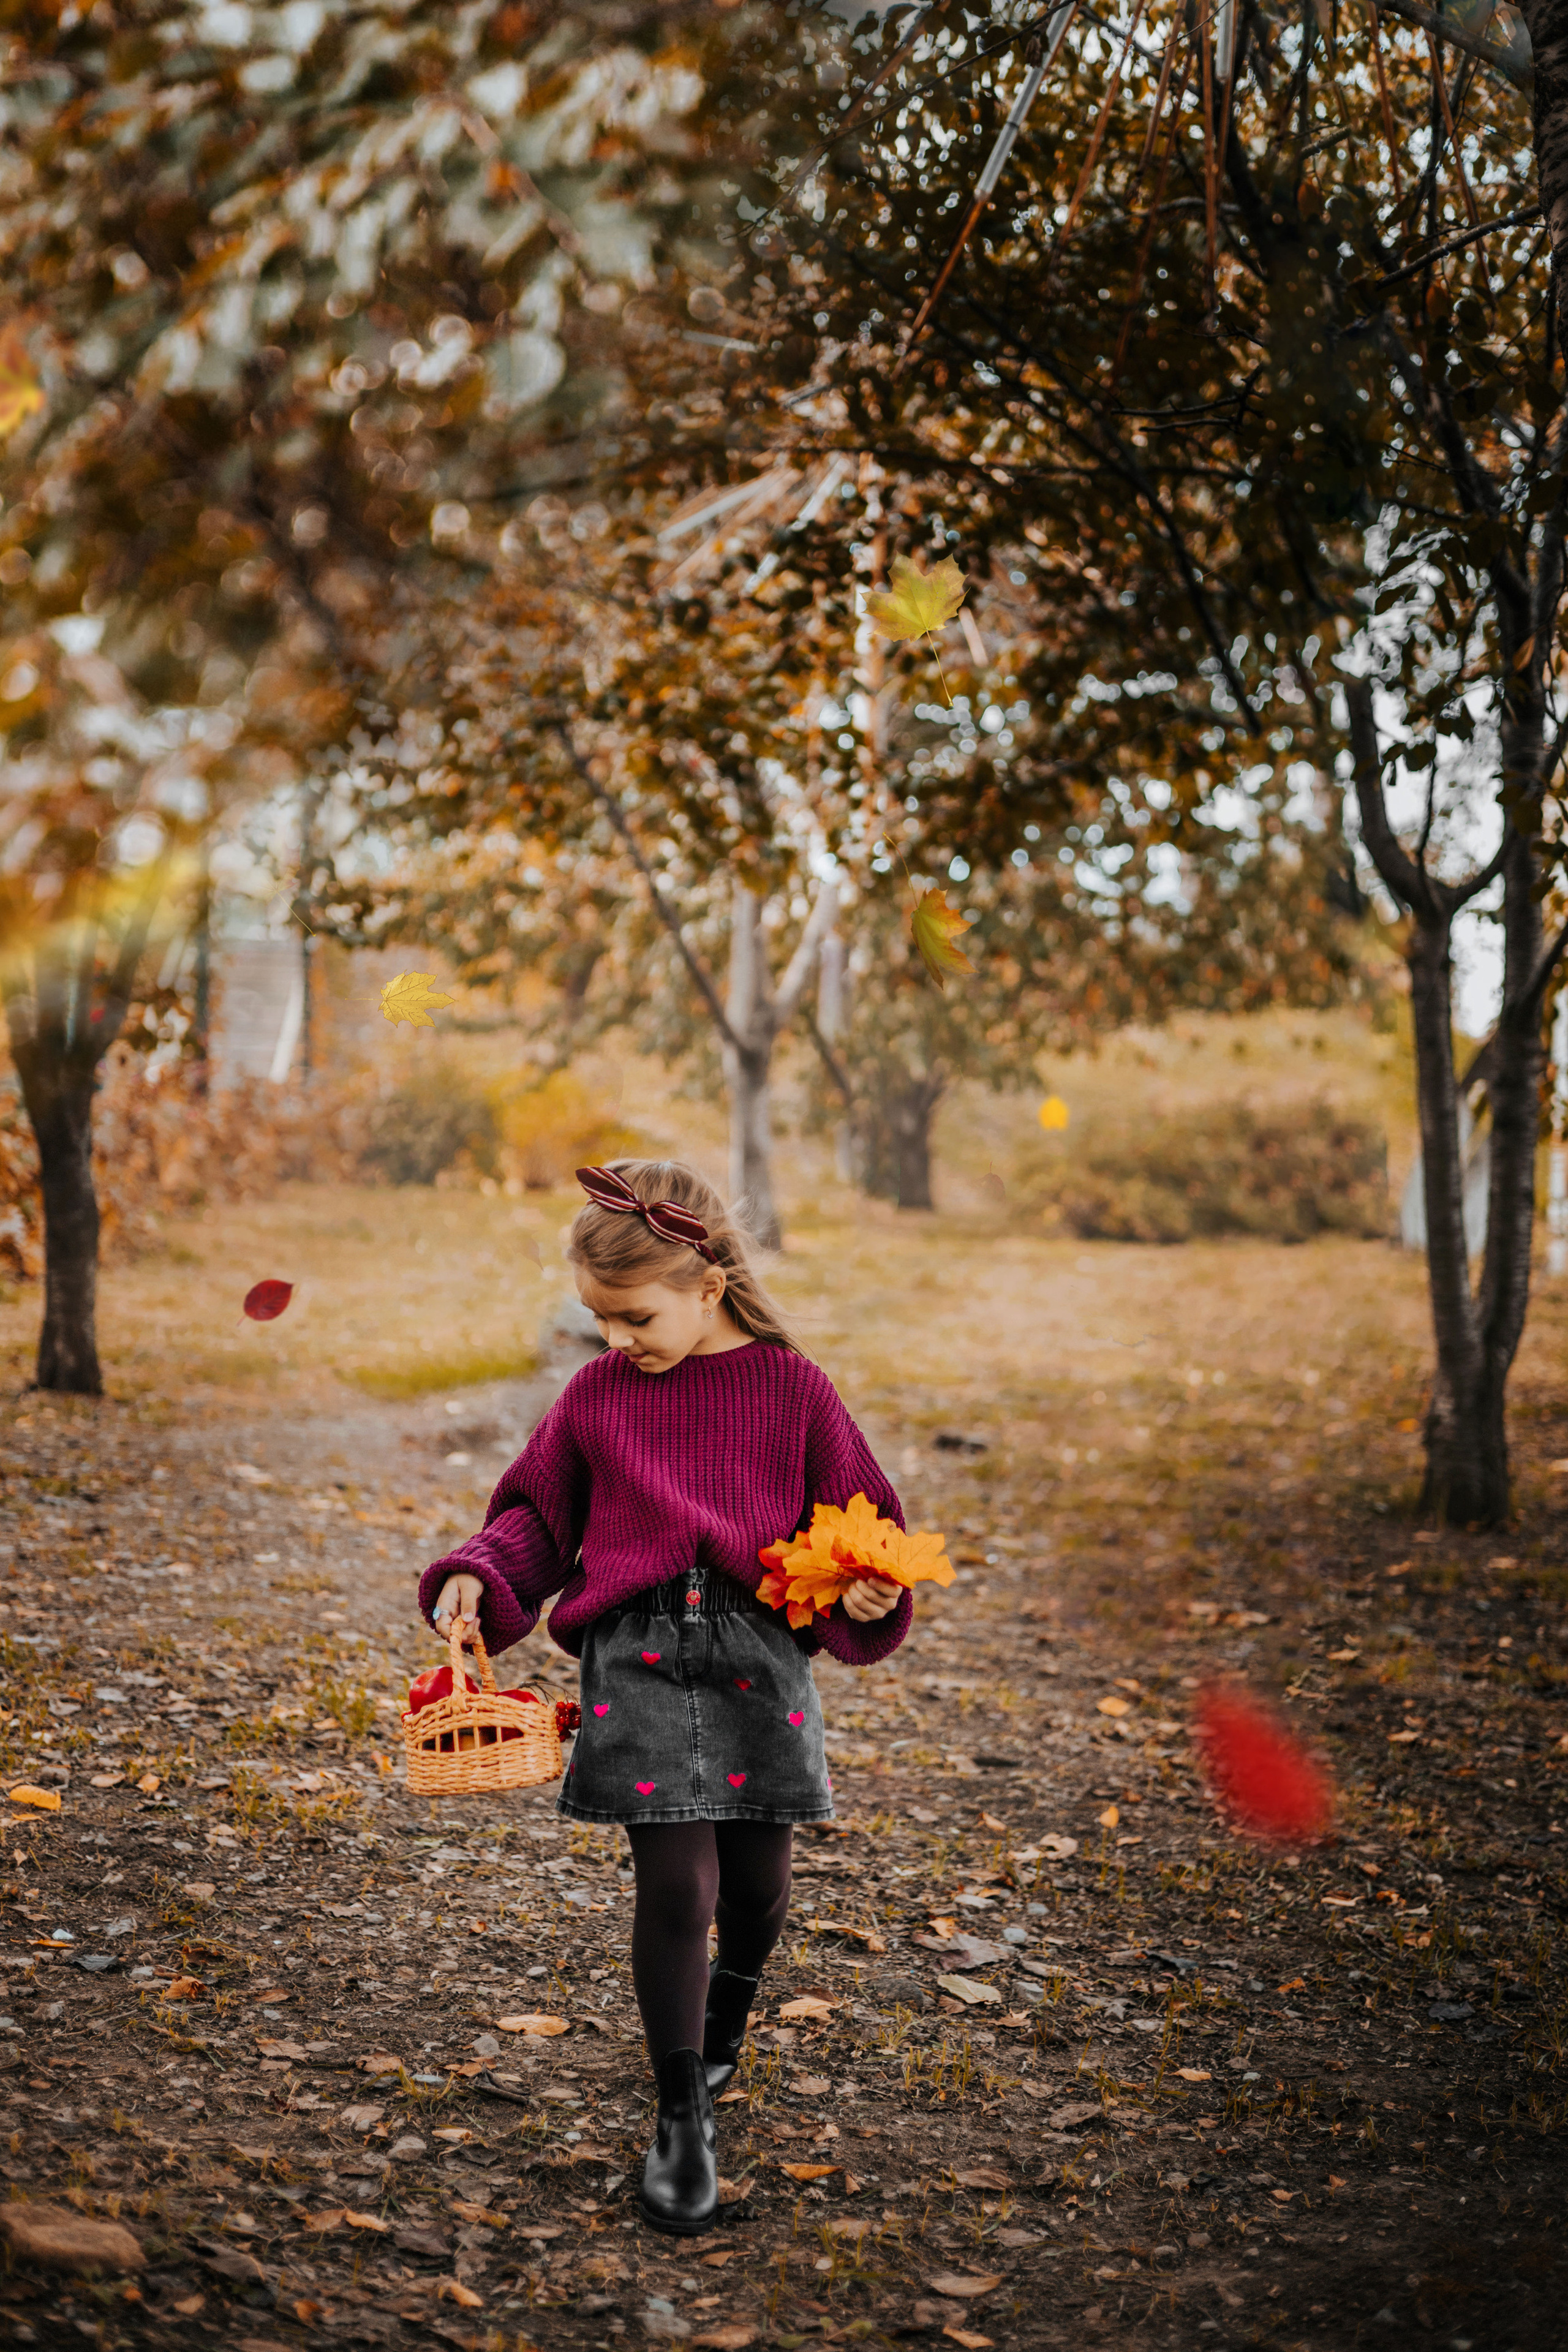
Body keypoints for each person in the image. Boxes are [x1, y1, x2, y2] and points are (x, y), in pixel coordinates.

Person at [419, 1159, 908, 2234]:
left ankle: (728, 2010)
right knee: (677, 1886)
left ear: (711, 1283)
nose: (613, 1340)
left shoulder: (795, 1392)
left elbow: (869, 1525)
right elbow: (539, 1520)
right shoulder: (598, 1398)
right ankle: (682, 2108)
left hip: (757, 1663)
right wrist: (478, 1571)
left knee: (759, 1889)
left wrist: (870, 1587)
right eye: (597, 1319)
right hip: (634, 1664)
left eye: (633, 1316)